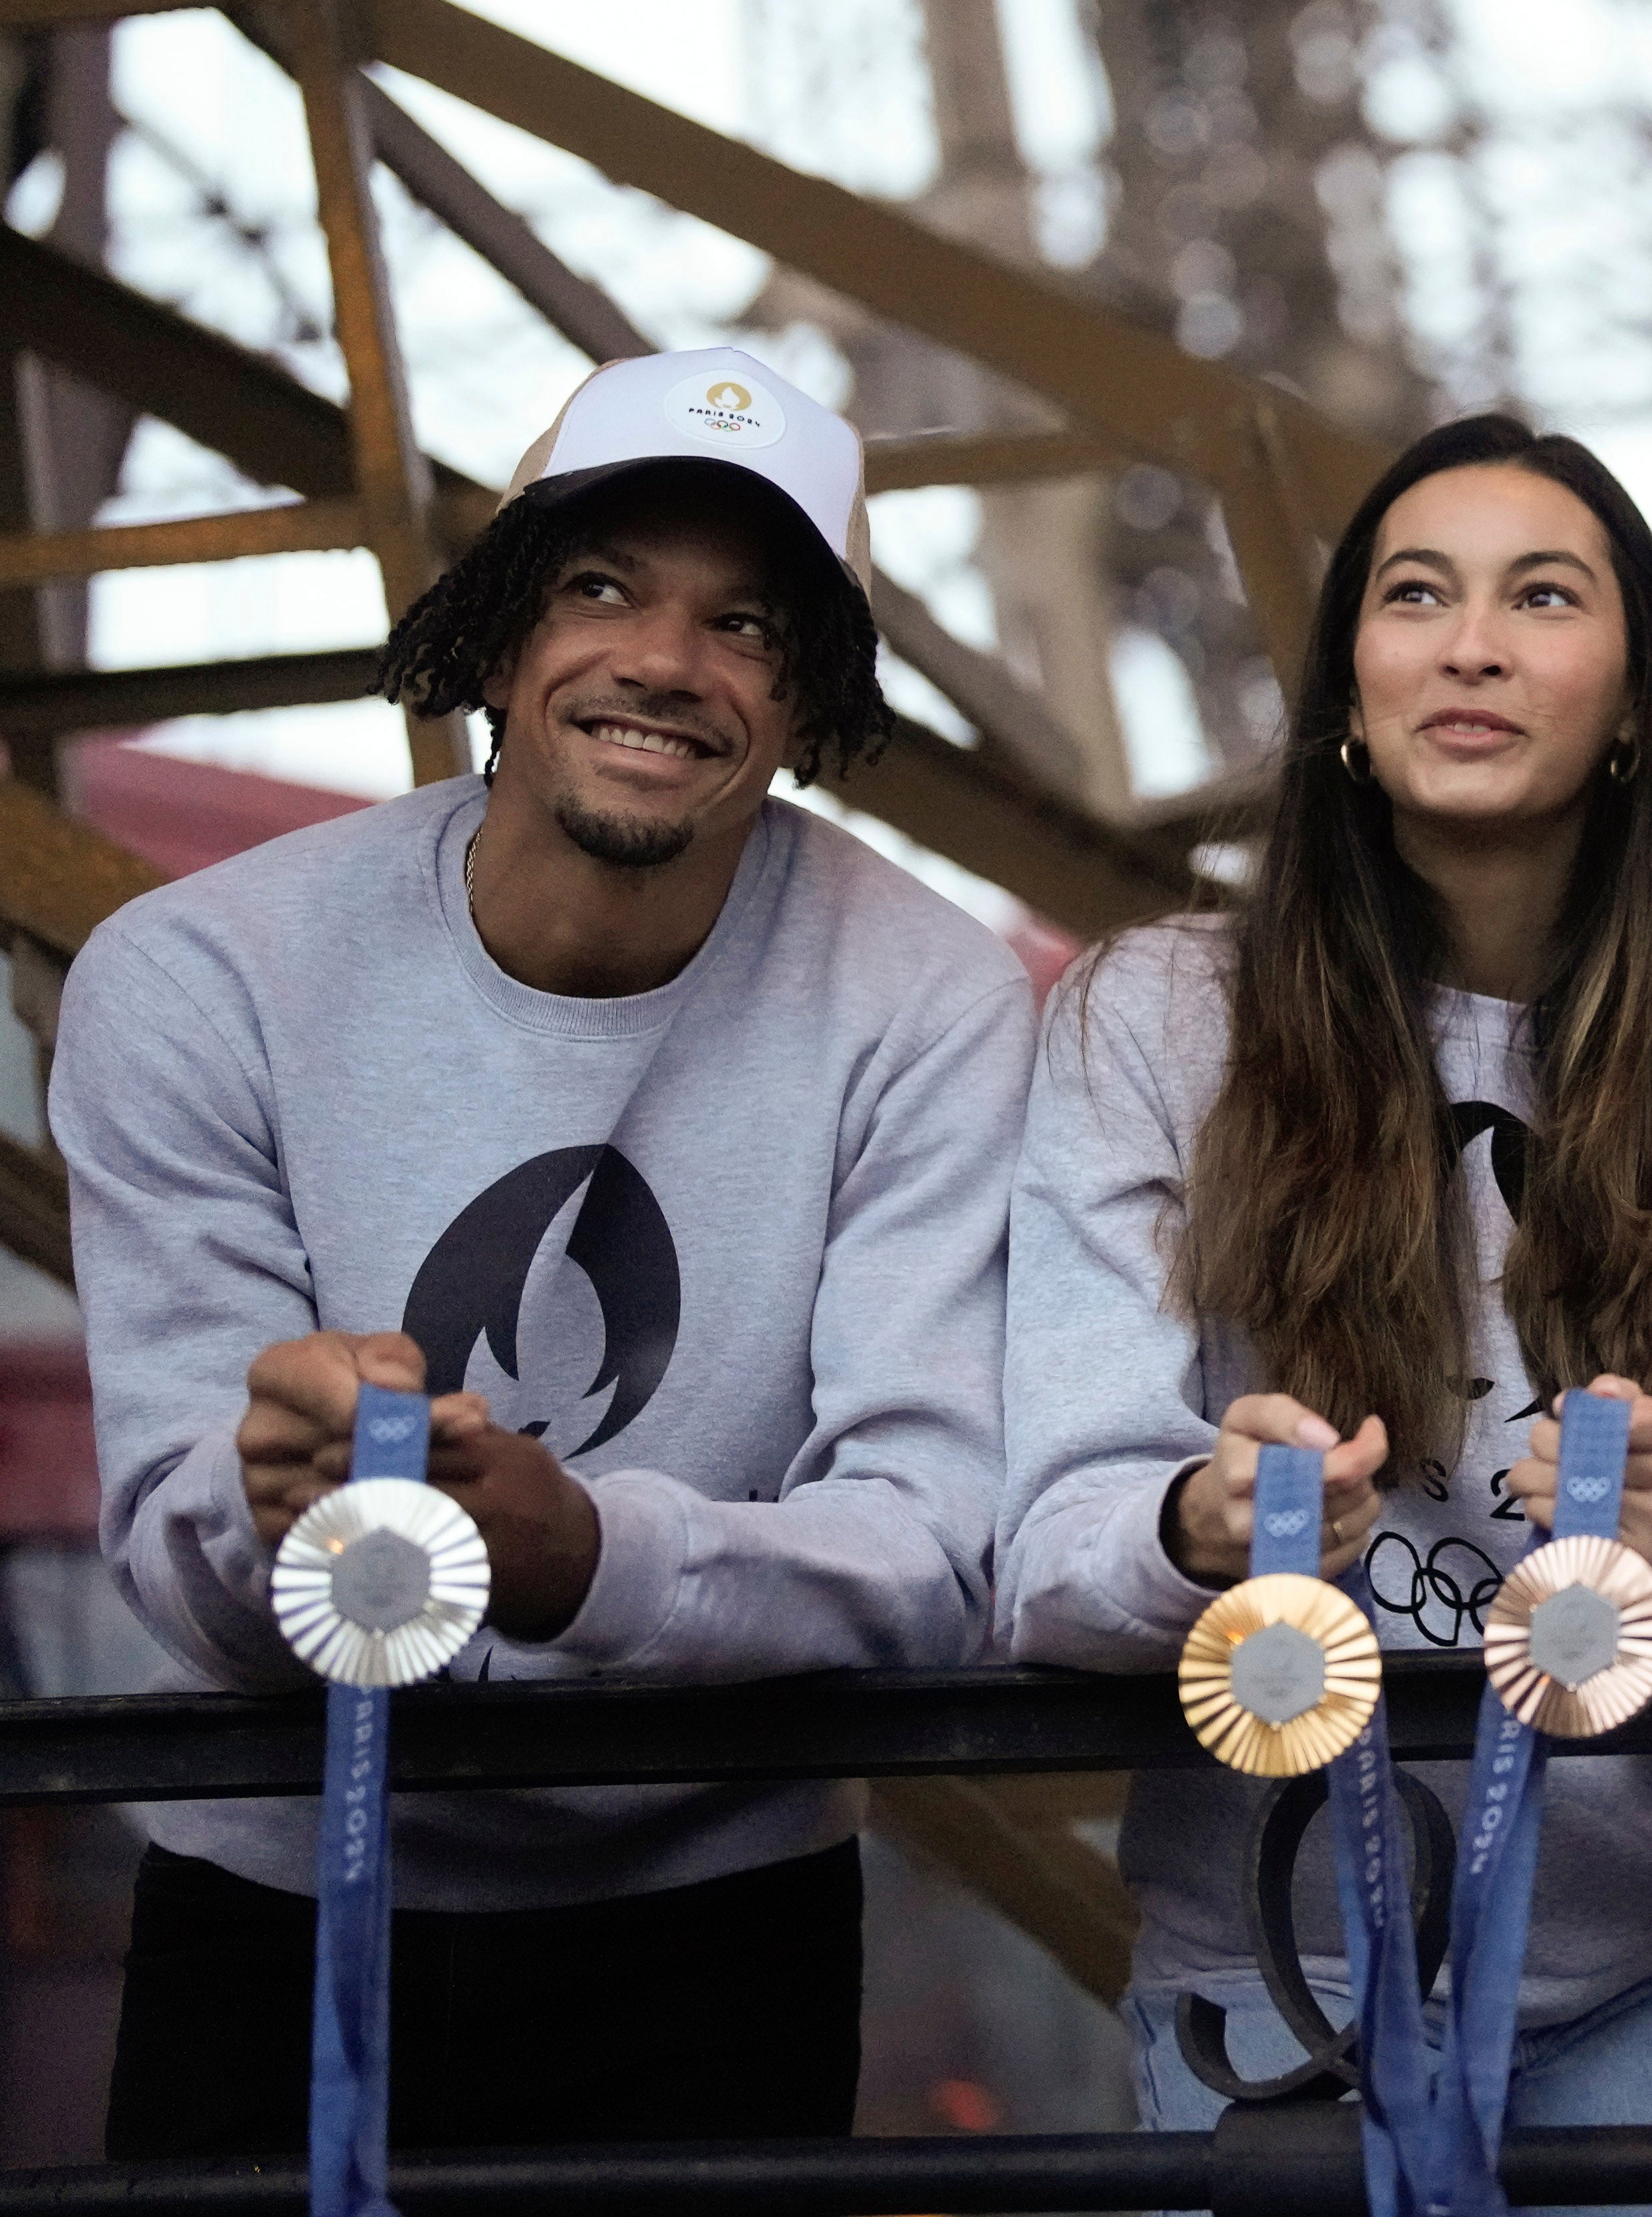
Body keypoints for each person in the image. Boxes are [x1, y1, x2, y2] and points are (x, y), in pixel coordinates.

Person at [65, 347, 1027, 2155]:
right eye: (600, 586)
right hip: (280, 1887)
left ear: (812, 710)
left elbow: (932, 1545)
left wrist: (579, 1553)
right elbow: (167, 1558)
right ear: (496, 637)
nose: (665, 662)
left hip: (718, 1920)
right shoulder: (202, 978)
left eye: (748, 626)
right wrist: (263, 1507)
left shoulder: (928, 1000)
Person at [999, 414, 1652, 2174]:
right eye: (1416, 596)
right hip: (1278, 1956)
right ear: (1348, 686)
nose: (1472, 643)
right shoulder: (1151, 1021)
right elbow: (1042, 1550)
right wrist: (1194, 1521)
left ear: (1634, 702)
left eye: (1542, 596)